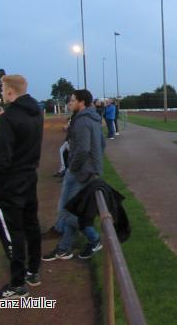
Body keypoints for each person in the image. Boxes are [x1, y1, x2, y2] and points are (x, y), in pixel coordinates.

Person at [0, 75, 43, 299]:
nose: (1, 93)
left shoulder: (9, 117)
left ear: (10, 91)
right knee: (31, 225)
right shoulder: (37, 111)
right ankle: (33, 271)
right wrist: (5, 114)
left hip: (11, 182)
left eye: (2, 89)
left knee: (13, 232)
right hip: (30, 178)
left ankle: (17, 285)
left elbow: (3, 158)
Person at [42, 89, 105, 261]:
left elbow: (83, 149)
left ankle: (94, 238)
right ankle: (63, 248)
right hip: (87, 171)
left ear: (81, 102)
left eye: (72, 100)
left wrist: (72, 166)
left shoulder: (83, 121)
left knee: (65, 212)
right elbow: (102, 144)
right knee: (71, 210)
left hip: (79, 172)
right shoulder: (92, 118)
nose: (70, 103)